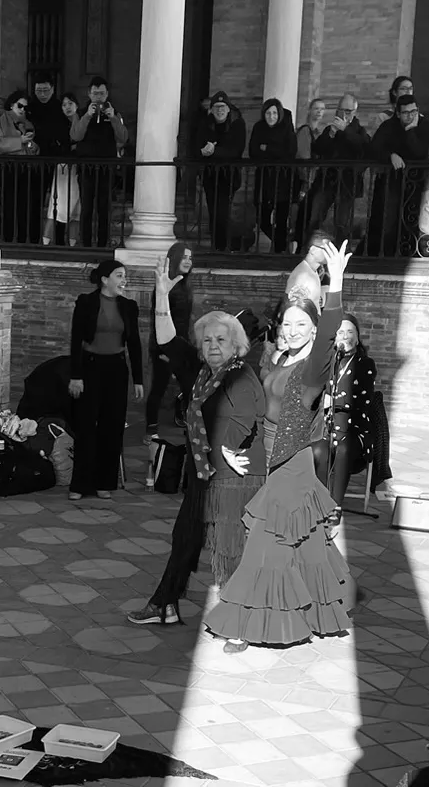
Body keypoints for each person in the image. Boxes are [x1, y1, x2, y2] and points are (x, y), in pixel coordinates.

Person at [205, 240, 355, 653]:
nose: (291, 331)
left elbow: (330, 332)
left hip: (293, 466)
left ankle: (243, 624)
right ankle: (323, 610)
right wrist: (234, 449)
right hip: (269, 460)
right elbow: (259, 415)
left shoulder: (312, 369)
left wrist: (336, 282)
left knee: (264, 544)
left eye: (300, 325)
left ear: (314, 330)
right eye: (286, 324)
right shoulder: (275, 360)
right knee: (304, 542)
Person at [127, 259, 266, 626]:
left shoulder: (241, 376)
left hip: (234, 477)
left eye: (221, 340)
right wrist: (161, 295)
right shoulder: (200, 371)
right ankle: (165, 604)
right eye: (207, 340)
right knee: (185, 538)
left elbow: (247, 417)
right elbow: (167, 340)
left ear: (236, 345)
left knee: (228, 548)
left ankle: (241, 617)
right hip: (204, 474)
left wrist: (226, 449)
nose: (213, 345)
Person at [67, 260, 143, 499]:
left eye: (124, 276)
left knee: (112, 426)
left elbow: (134, 343)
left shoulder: (128, 306)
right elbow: (76, 340)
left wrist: (138, 379)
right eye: (119, 275)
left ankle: (105, 482)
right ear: (104, 279)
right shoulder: (86, 302)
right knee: (86, 425)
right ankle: (80, 484)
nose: (124, 280)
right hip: (90, 367)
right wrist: (76, 376)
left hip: (117, 369)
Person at [311, 313, 376, 507]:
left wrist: (332, 401)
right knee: (317, 450)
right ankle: (319, 503)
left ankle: (334, 506)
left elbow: (362, 402)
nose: (345, 336)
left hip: (354, 429)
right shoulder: (328, 362)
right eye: (341, 332)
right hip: (326, 428)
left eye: (350, 332)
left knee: (343, 449)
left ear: (357, 337)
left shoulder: (365, 364)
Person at [367, 94, 429, 256]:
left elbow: (420, 152)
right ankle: (385, 257)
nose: (410, 116)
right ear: (398, 113)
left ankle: (408, 255)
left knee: (411, 221)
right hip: (391, 182)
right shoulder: (389, 126)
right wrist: (390, 155)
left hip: (415, 182)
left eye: (414, 111)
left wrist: (410, 131)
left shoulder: (424, 125)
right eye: (406, 113)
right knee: (388, 221)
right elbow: (374, 148)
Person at [144, 242, 194, 444]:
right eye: (184, 257)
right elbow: (158, 321)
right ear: (174, 259)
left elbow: (183, 323)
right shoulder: (164, 288)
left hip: (181, 346)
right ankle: (150, 431)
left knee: (190, 388)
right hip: (164, 347)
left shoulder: (184, 286)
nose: (188, 261)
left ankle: (191, 427)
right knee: (159, 388)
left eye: (190, 258)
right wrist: (162, 351)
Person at [305, 93, 371, 247]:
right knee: (315, 216)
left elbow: (364, 148)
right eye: (341, 110)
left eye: (348, 111)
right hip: (327, 180)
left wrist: (345, 130)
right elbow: (317, 148)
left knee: (342, 222)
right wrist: (331, 134)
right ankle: (306, 250)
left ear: (354, 112)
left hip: (348, 183)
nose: (344, 114)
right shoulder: (330, 129)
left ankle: (341, 254)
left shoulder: (359, 131)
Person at [71, 77, 128, 248]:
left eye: (101, 93)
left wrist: (113, 118)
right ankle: (86, 244)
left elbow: (123, 137)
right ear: (89, 94)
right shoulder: (81, 112)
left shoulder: (115, 112)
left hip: (106, 167)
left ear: (107, 94)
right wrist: (88, 115)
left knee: (104, 208)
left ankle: (103, 244)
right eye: (95, 93)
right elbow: (75, 136)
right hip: (86, 167)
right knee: (86, 207)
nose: (98, 97)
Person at [248, 98, 297, 253]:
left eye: (274, 113)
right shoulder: (259, 127)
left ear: (279, 114)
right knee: (262, 217)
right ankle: (281, 243)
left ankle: (279, 251)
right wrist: (276, 151)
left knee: (281, 218)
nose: (271, 116)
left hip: (283, 179)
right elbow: (253, 151)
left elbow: (290, 152)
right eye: (268, 113)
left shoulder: (286, 128)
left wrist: (267, 148)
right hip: (264, 179)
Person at [199, 90, 246, 251]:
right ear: (211, 110)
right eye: (216, 107)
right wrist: (203, 151)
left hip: (229, 176)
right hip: (210, 175)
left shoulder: (237, 124)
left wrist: (214, 151)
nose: (220, 110)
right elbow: (197, 145)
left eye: (223, 107)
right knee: (213, 211)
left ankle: (224, 247)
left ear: (228, 109)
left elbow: (236, 149)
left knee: (222, 212)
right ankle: (217, 246)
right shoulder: (206, 124)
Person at [0, 89, 40, 244]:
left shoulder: (28, 122)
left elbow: (32, 147)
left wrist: (32, 145)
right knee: (9, 205)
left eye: (25, 107)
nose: (23, 109)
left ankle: (22, 238)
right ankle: (8, 238)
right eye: (20, 106)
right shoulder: (2, 120)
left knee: (24, 205)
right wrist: (20, 141)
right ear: (12, 104)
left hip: (26, 167)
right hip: (9, 167)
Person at [43, 92, 81, 246]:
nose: (67, 107)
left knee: (74, 206)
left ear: (77, 105)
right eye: (64, 105)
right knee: (58, 204)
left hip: (77, 169)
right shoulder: (58, 124)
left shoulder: (82, 122)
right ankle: (54, 240)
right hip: (61, 168)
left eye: (70, 103)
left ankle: (72, 242)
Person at [293, 98, 328, 247]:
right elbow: (303, 157)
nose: (319, 112)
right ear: (309, 110)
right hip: (306, 180)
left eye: (322, 109)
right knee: (303, 217)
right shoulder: (305, 131)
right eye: (316, 108)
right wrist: (307, 181)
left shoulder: (319, 132)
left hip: (314, 179)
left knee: (309, 216)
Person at [285, 229, 332, 310]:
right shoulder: (303, 276)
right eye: (326, 249)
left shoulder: (312, 271)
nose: (329, 253)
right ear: (313, 250)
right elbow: (295, 309)